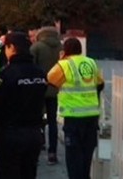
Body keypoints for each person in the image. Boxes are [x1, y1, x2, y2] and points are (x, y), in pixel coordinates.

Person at [0, 32, 47, 179]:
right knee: (29, 173)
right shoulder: (39, 73)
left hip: (10, 135)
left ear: (11, 47)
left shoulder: (6, 73)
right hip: (34, 133)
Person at [47, 37, 105, 179]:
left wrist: (61, 60)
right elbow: (100, 83)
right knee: (86, 158)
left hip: (73, 118)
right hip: (91, 118)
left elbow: (50, 78)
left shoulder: (65, 64)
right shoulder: (90, 62)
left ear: (65, 50)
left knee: (74, 160)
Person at [30, 25, 62, 165]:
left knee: (36, 120)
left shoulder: (36, 47)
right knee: (52, 121)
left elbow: (31, 67)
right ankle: (53, 153)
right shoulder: (60, 48)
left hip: (39, 88)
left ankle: (38, 147)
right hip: (54, 88)